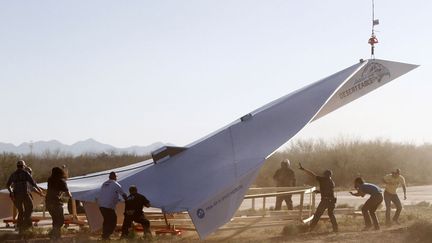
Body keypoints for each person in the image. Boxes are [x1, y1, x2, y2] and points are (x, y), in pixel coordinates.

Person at [6, 160, 43, 234]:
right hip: (24, 194)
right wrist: (40, 190)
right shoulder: (25, 173)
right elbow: (33, 183)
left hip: (16, 196)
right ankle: (26, 224)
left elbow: (8, 185)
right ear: (23, 166)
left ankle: (20, 227)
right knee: (30, 208)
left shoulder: (13, 174)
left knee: (21, 211)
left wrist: (11, 193)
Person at [299, 163, 338, 232]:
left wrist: (304, 169)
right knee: (331, 214)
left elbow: (312, 175)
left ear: (325, 175)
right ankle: (335, 228)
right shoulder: (332, 182)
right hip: (331, 200)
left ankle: (311, 228)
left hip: (325, 200)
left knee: (317, 214)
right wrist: (319, 191)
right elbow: (328, 190)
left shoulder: (323, 179)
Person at [97, 171, 127, 240]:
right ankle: (107, 235)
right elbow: (123, 194)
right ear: (114, 177)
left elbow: (107, 194)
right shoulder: (115, 184)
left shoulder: (104, 184)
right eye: (116, 177)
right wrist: (128, 200)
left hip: (101, 206)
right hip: (108, 206)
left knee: (106, 220)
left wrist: (116, 199)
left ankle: (105, 235)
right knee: (113, 220)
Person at [45, 167, 72, 240]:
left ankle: (56, 236)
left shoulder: (50, 180)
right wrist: (71, 196)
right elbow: (67, 193)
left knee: (55, 220)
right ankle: (54, 234)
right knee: (60, 221)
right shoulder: (61, 181)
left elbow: (55, 190)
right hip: (56, 203)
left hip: (48, 202)